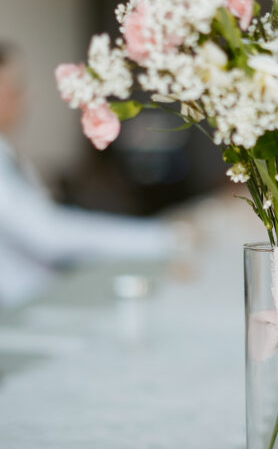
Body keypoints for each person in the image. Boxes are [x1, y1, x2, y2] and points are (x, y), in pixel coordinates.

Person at [0, 43, 178, 307]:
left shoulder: (10, 154)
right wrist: (164, 237)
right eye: (14, 89)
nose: (25, 98)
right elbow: (49, 235)